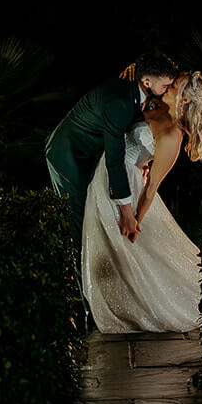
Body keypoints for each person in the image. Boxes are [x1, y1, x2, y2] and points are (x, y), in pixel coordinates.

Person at [82, 70, 202, 333]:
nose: (166, 88)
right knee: (104, 240)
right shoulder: (157, 105)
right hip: (108, 172)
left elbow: (153, 185)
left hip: (129, 188)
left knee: (127, 248)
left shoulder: (172, 136)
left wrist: (135, 218)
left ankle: (140, 307)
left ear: (186, 100)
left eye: (173, 86)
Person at [46, 51, 179, 314]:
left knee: (95, 220)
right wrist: (128, 213)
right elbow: (115, 159)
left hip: (89, 155)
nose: (169, 89)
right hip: (68, 155)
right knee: (79, 222)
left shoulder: (139, 96)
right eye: (165, 84)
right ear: (146, 82)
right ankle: (86, 306)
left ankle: (103, 295)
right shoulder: (119, 100)